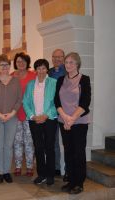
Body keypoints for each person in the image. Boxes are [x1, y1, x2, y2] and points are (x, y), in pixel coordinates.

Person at [55, 52, 91, 194]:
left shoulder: (84, 79)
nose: (68, 65)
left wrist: (72, 119)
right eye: (66, 62)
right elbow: (56, 101)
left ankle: (79, 183)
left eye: (71, 62)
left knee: (78, 152)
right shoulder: (60, 80)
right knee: (68, 151)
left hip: (79, 122)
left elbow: (85, 102)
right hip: (64, 121)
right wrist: (65, 117)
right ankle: (71, 181)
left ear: (77, 64)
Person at [0, 54, 22, 183]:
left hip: (12, 117)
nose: (4, 67)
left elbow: (19, 99)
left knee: (8, 146)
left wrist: (12, 113)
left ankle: (7, 171)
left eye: (7, 65)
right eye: (2, 65)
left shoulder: (15, 80)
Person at [23, 59, 58, 186]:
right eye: (38, 68)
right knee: (38, 148)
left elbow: (57, 103)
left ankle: (50, 175)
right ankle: (41, 174)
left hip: (49, 119)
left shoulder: (54, 83)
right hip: (34, 120)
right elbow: (25, 102)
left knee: (49, 147)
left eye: (43, 68)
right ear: (35, 70)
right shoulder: (30, 84)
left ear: (47, 69)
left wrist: (46, 115)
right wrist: (32, 116)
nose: (41, 71)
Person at [11, 52, 36, 177]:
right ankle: (18, 166)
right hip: (14, 114)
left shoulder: (34, 75)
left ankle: (30, 166)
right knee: (17, 141)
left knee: (29, 141)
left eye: (23, 61)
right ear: (15, 63)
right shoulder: (11, 76)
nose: (20, 63)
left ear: (27, 63)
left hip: (29, 113)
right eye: (18, 61)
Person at [48, 49, 66, 178]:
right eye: (54, 57)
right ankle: (56, 168)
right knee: (53, 141)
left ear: (64, 58)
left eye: (59, 57)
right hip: (52, 112)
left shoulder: (68, 71)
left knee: (67, 142)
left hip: (66, 111)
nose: (57, 59)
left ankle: (69, 170)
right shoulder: (48, 72)